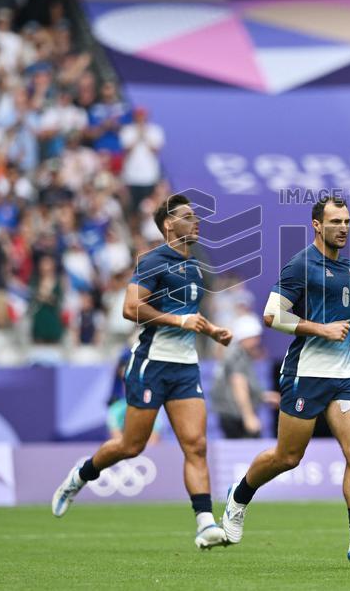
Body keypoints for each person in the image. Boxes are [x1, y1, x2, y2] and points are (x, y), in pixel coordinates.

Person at [51, 194, 234, 550]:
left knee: (195, 445)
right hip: (151, 363)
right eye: (188, 217)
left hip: (185, 367)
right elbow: (129, 307)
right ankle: (79, 476)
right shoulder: (152, 261)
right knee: (131, 446)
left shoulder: (196, 267)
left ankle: (205, 523)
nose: (197, 222)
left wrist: (211, 330)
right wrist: (180, 320)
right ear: (169, 225)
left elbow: (186, 316)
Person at [220, 197, 350, 563]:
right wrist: (321, 329)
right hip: (306, 374)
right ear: (317, 225)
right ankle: (239, 497)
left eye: (346, 221)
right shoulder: (301, 264)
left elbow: (339, 324)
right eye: (334, 222)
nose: (342, 228)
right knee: (287, 457)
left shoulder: (349, 269)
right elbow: (271, 315)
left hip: (344, 374)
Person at [211, 308, 279, 438]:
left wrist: (262, 396)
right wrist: (249, 417)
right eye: (255, 337)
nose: (258, 341)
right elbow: (238, 384)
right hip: (236, 416)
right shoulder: (237, 355)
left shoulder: (241, 354)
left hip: (235, 414)